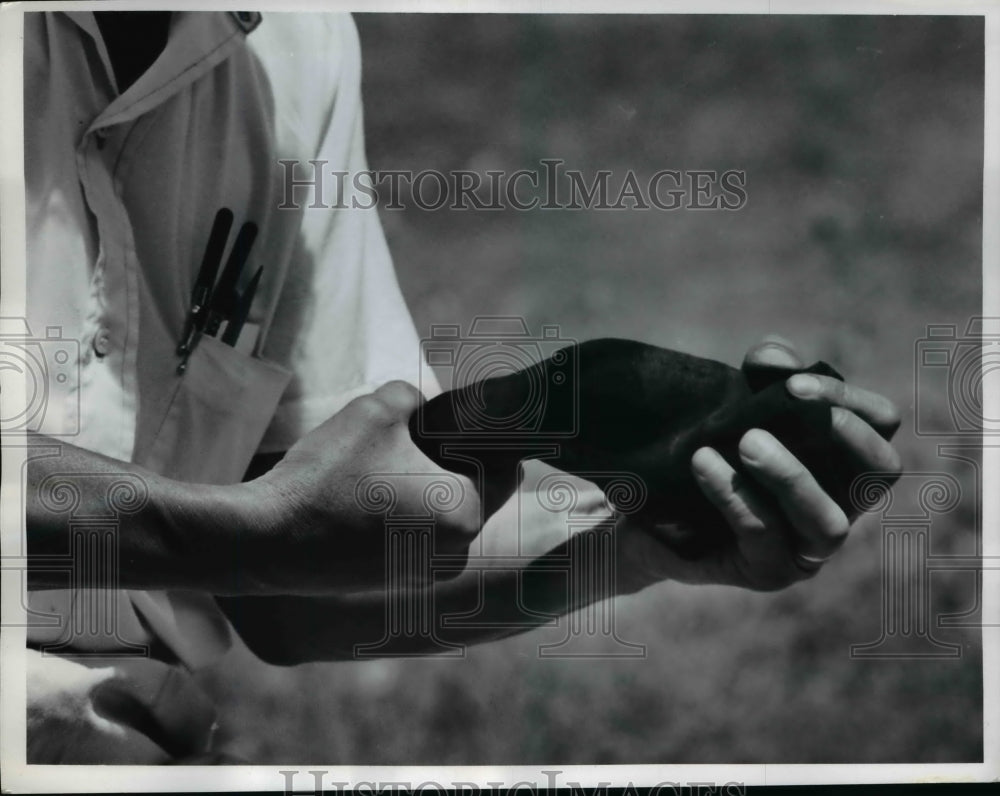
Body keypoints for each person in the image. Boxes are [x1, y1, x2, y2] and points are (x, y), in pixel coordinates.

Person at [17, 10, 902, 763]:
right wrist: (248, 537)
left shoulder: (291, 42)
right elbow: (268, 544)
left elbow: (296, 596)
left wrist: (632, 539)